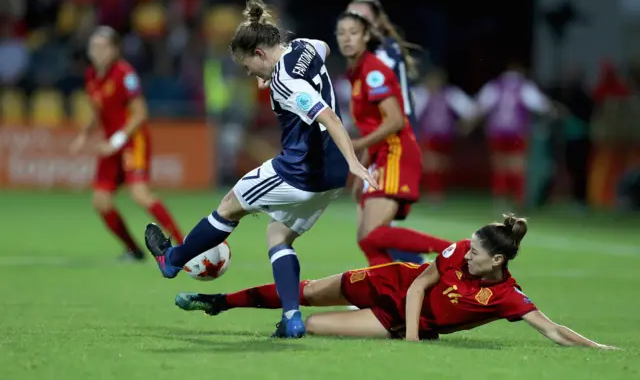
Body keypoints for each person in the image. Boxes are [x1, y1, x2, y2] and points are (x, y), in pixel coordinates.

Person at [143, 0, 377, 339]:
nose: (250, 75)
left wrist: (355, 162)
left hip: (299, 172)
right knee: (278, 235)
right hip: (331, 178)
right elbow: (325, 48)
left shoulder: (285, 81)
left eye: (248, 67)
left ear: (259, 54)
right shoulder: (305, 47)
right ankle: (292, 319)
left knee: (227, 208)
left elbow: (326, 116)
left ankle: (173, 259)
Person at [175, 215, 618, 349]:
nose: (467, 253)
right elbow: (420, 286)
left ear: (497, 260)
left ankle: (276, 325)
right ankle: (219, 301)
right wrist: (410, 338)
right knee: (306, 292)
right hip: (393, 284)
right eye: (469, 247)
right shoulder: (458, 249)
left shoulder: (506, 297)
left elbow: (553, 329)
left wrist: (600, 350)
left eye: (477, 253)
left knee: (310, 326)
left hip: (399, 320)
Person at [337, 11, 444, 267]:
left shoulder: (373, 71)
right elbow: (370, 126)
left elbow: (395, 120)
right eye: (341, 33)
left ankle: (453, 251)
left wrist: (358, 145)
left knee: (372, 234)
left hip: (394, 152)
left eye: (354, 33)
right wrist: (362, 166)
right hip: (379, 155)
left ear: (366, 37)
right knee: (367, 238)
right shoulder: (358, 74)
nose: (346, 39)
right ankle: (388, 292)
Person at [70, 26, 184, 261]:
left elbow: (140, 113)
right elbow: (97, 111)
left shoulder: (125, 74)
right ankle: (133, 251)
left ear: (114, 49)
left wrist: (118, 140)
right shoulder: (92, 75)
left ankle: (184, 245)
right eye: (94, 47)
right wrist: (84, 134)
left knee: (140, 194)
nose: (97, 51)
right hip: (110, 145)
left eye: (102, 47)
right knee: (101, 202)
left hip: (132, 140)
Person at [347, 0, 424, 264]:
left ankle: (432, 266)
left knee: (372, 233)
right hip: (386, 145)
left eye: (361, 19)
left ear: (376, 23)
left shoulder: (377, 56)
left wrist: (360, 150)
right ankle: (406, 280)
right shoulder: (377, 54)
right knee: (372, 234)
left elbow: (391, 117)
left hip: (396, 145)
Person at [470, 61, 556, 209]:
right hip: (517, 132)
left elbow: (480, 106)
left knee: (499, 166)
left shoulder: (495, 85)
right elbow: (540, 104)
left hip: (497, 131)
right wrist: (553, 110)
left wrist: (469, 123)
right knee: (517, 166)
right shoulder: (524, 86)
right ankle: (519, 200)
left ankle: (500, 201)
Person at [413, 68, 476, 202]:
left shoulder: (451, 94)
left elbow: (471, 111)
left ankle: (436, 192)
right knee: (430, 162)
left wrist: (464, 126)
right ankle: (433, 193)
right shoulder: (421, 94)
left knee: (440, 164)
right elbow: (412, 114)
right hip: (428, 135)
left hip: (445, 136)